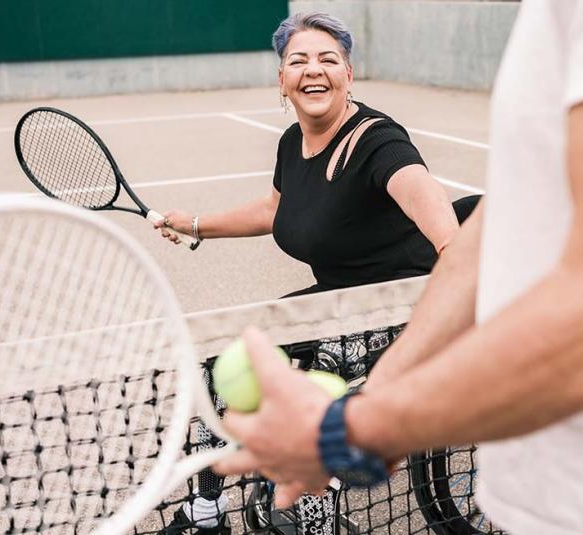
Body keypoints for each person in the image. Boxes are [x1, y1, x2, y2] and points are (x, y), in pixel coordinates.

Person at [212, 1, 583, 533]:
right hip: (557, 494)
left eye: (327, 59)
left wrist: (353, 430)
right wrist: (382, 390)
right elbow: (499, 223)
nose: (313, 70)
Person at [155, 11, 475, 535]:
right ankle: (206, 513)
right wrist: (195, 224)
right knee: (221, 362)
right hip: (336, 299)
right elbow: (274, 210)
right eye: (298, 60)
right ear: (281, 79)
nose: (313, 70)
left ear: (348, 74)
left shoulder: (377, 142)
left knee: (321, 401)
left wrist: (455, 292)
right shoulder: (292, 143)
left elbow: (431, 205)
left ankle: (315, 522)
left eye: (328, 59)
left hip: (399, 302)